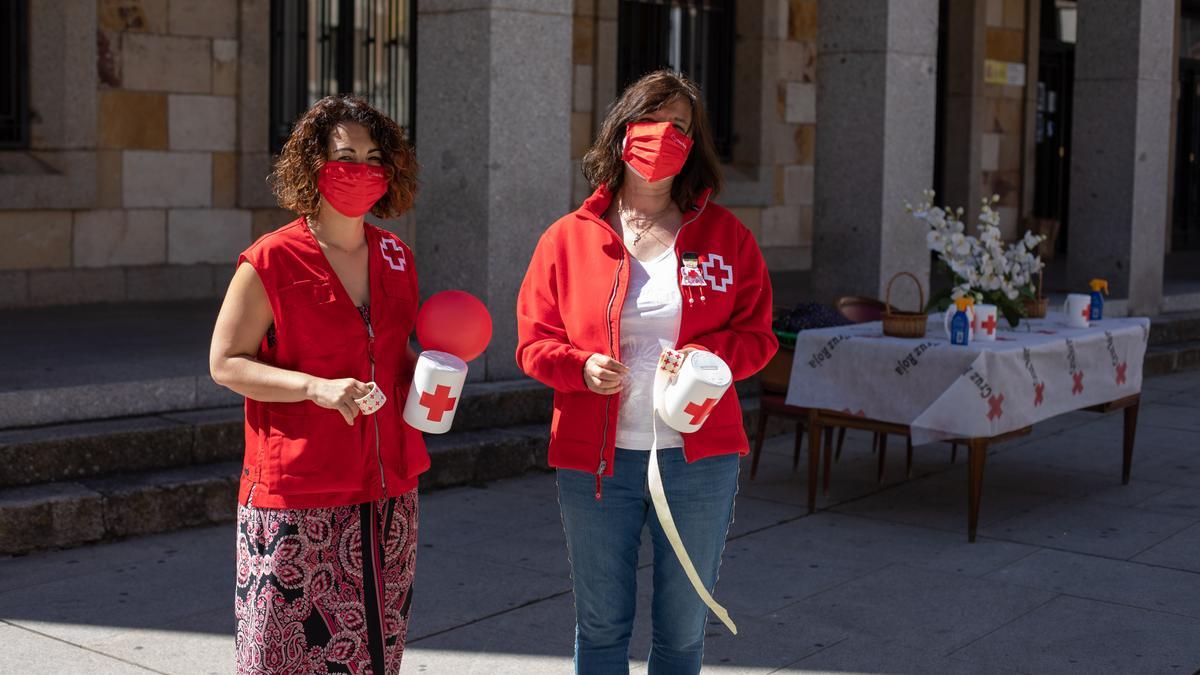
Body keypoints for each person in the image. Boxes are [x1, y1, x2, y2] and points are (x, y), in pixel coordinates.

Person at [516, 70, 778, 674]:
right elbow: (533, 342)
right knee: (601, 626)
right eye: (651, 121)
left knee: (683, 631)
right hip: (596, 464)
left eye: (680, 127)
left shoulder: (727, 237)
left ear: (696, 143)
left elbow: (758, 335)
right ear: (621, 130)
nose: (663, 137)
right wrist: (578, 367)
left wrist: (710, 360)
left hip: (698, 462)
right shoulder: (567, 239)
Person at [209, 95, 427, 674]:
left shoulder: (396, 256)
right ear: (312, 165)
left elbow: (391, 350)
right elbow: (226, 362)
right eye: (345, 155)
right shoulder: (271, 260)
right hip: (299, 495)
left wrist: (431, 373)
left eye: (374, 157)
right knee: (283, 660)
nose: (361, 169)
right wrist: (316, 388)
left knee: (375, 656)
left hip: (387, 491)